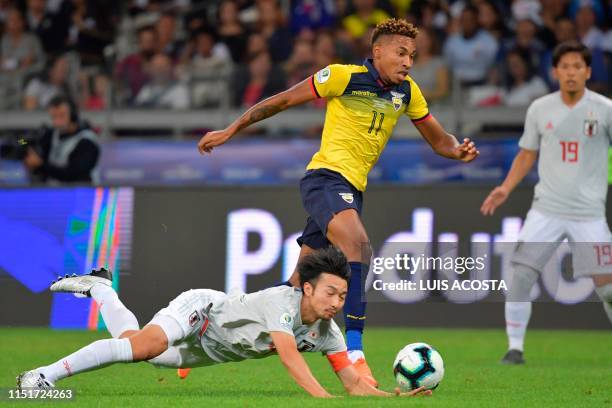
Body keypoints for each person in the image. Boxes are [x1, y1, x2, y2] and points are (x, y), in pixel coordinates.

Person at [197, 18, 479, 386]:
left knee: (295, 290)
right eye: (400, 53)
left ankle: (210, 335)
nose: (408, 61)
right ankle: (356, 353)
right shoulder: (342, 77)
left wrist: (457, 150)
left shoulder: (408, 92)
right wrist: (231, 129)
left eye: (412, 55)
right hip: (326, 180)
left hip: (352, 191)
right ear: (377, 52)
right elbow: (282, 100)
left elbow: (440, 140)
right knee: (358, 245)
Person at [17, 248, 432, 398]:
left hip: (208, 352)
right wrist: (322, 398)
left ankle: (101, 289)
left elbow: (352, 382)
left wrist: (390, 396)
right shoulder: (281, 303)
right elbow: (290, 358)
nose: (337, 303)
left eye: (343, 296)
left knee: (135, 343)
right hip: (202, 313)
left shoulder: (329, 332)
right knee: (144, 347)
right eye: (330, 293)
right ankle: (40, 377)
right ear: (307, 289)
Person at [481, 41, 612, 364]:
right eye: (565, 67)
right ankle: (515, 349)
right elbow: (527, 154)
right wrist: (506, 187)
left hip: (589, 213)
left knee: (608, 288)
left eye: (577, 67)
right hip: (546, 209)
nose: (571, 73)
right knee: (520, 275)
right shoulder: (540, 108)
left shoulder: (605, 109)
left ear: (588, 71)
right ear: (555, 72)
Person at [23, 94, 100, 184]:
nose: (57, 121)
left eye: (62, 116)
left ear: (73, 114)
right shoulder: (50, 134)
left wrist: (41, 165)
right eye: (54, 117)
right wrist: (24, 145)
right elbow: (25, 141)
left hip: (80, 192)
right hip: (54, 192)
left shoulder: (87, 140)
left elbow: (73, 174)